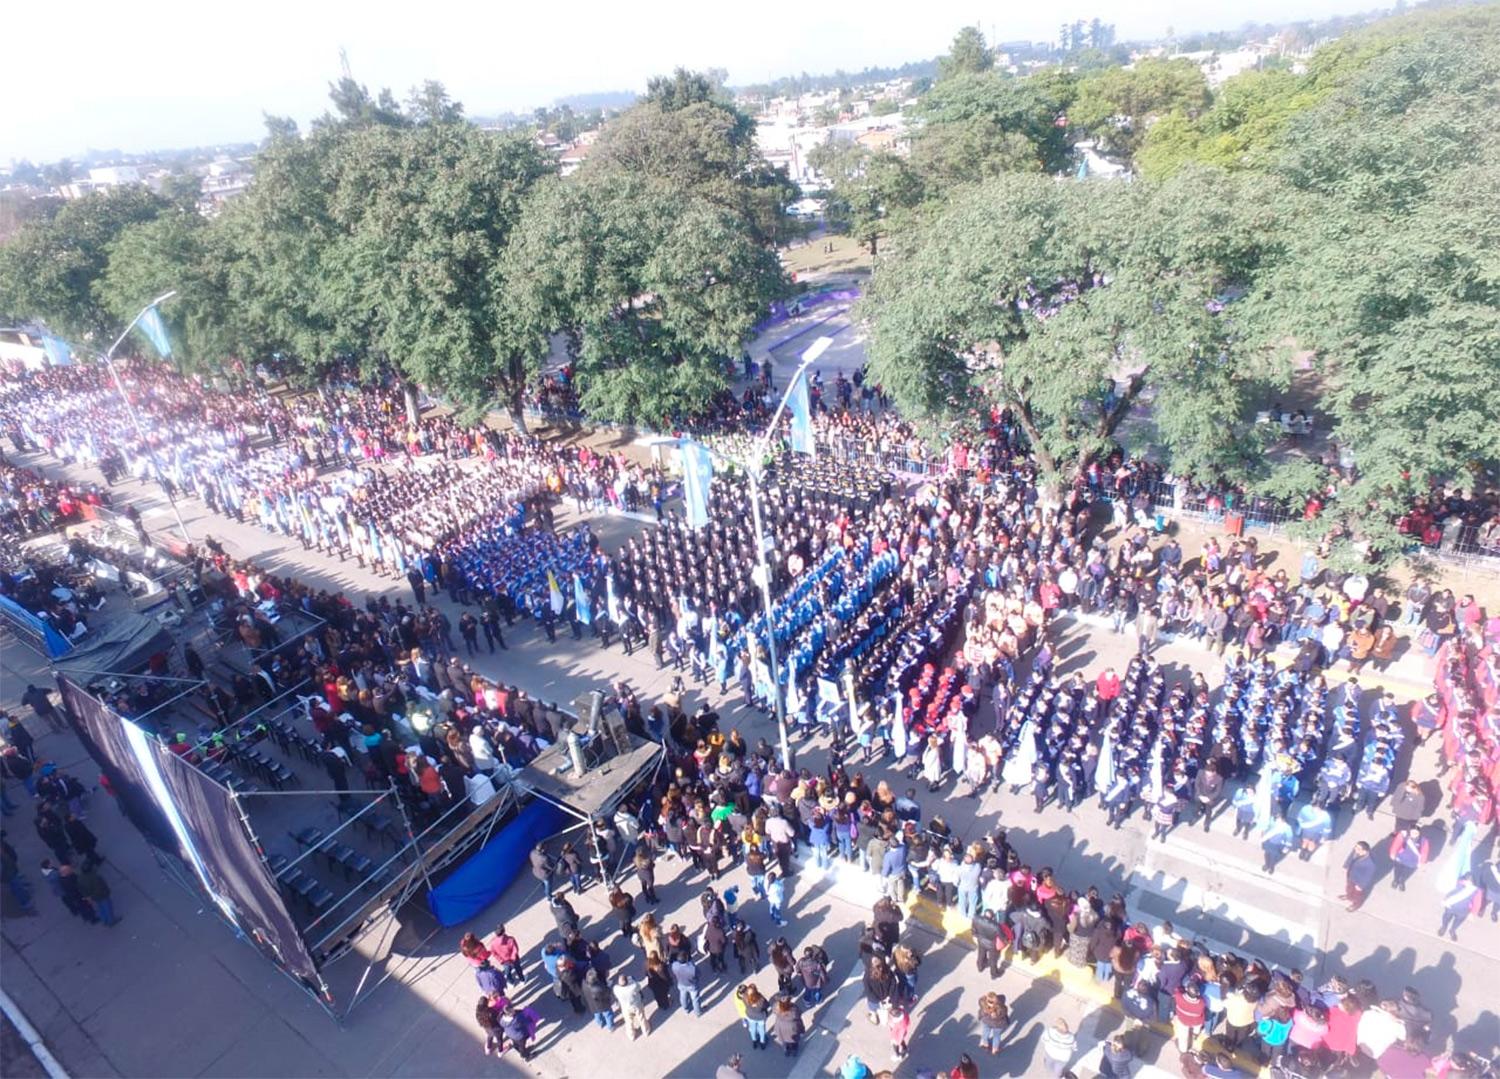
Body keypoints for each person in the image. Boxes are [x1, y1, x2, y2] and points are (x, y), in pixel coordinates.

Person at [614, 973, 650, 1040]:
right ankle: (646, 1031)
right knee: (641, 1018)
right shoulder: (633, 986)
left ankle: (631, 1035)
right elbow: (639, 987)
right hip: (636, 1005)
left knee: (628, 1021)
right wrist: (631, 980)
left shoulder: (616, 989)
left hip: (625, 1007)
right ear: (627, 981)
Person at [1341, 842, 1376, 911]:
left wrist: (1361, 886)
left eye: (1358, 848)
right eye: (1356, 847)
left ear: (1364, 851)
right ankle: (1349, 896)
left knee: (1357, 895)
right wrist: (1346, 865)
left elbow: (1367, 876)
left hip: (1359, 880)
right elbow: (1350, 857)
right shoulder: (1356, 852)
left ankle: (1356, 904)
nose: (1355, 849)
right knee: (1349, 888)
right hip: (1351, 875)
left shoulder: (1370, 863)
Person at [977, 991, 1009, 1055]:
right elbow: (1004, 1013)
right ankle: (995, 1049)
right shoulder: (1000, 1007)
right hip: (998, 1024)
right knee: (996, 1035)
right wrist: (997, 1015)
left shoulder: (983, 1004)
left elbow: (980, 1011)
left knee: (985, 1031)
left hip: (986, 1021)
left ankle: (984, 1043)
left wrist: (980, 1017)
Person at [743, 984, 770, 1049]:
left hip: (750, 1016)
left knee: (752, 1029)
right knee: (761, 1030)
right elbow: (767, 1005)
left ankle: (754, 1041)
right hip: (760, 1017)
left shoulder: (745, 997)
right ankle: (762, 1043)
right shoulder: (761, 999)